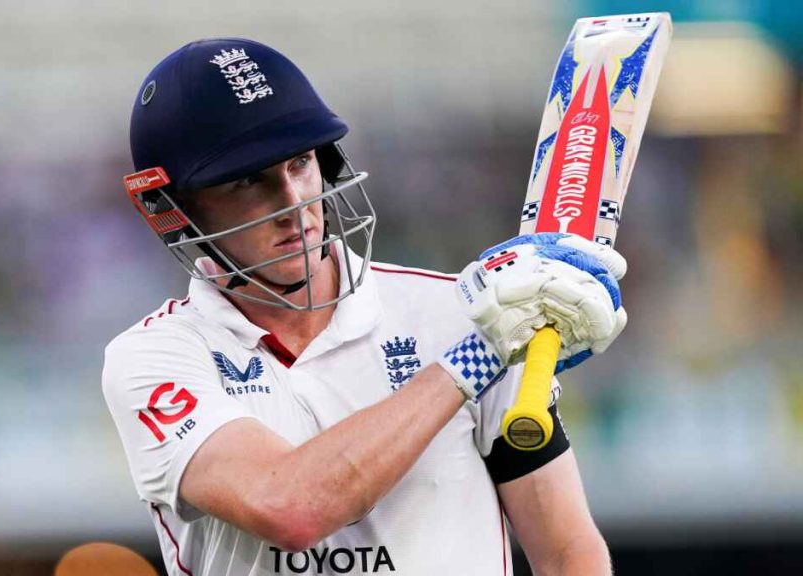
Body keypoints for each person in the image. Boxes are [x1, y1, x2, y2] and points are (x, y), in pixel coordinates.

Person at [103, 38, 627, 575]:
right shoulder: (154, 358)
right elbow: (289, 508)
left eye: (301, 163)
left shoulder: (463, 312)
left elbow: (567, 552)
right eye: (248, 181)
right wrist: (479, 356)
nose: (294, 204)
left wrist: (487, 341)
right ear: (176, 209)